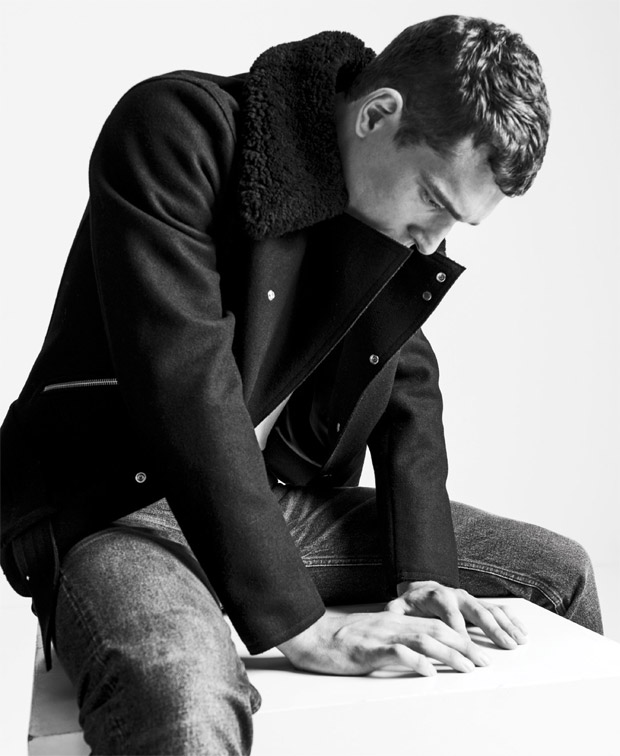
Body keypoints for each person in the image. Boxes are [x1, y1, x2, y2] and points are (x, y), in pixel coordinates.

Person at [0, 14, 603, 755]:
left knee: (559, 574)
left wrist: (422, 572)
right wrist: (304, 628)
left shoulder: (378, 212)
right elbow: (186, 382)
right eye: (435, 201)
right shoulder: (178, 129)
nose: (434, 243)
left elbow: (408, 379)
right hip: (120, 507)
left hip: (281, 507)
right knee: (184, 699)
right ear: (377, 115)